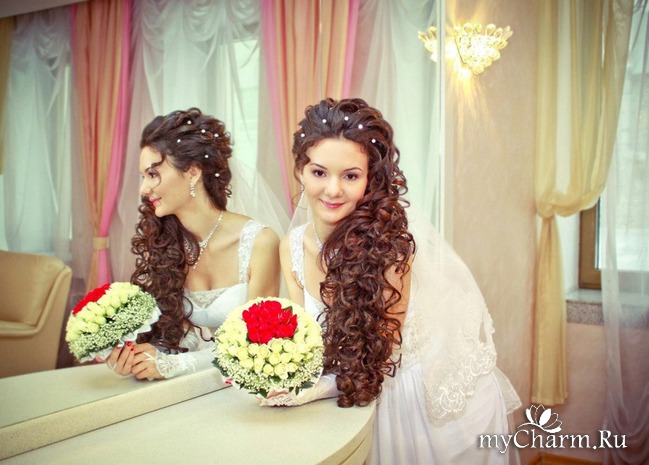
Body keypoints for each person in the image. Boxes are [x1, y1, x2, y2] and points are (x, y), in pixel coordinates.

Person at [264, 98, 520, 464]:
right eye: (319, 173)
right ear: (300, 171)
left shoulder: (389, 247)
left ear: (370, 179)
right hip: (344, 390)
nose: (333, 190)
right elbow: (305, 337)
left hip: (404, 395)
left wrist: (319, 388)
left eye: (350, 176)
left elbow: (380, 352)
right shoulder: (290, 247)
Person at [106, 108, 283, 381]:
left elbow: (257, 345)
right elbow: (179, 336)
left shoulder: (260, 242)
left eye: (153, 174)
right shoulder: (166, 244)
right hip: (189, 386)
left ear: (192, 172)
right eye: (143, 177)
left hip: (245, 388)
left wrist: (174, 366)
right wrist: (138, 357)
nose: (143, 189)